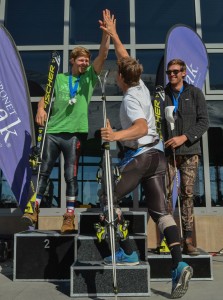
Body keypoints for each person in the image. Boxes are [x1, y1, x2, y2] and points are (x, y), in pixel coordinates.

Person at [99, 9, 193, 298]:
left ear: (121, 78)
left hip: (140, 156)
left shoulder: (129, 98)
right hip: (157, 158)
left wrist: (115, 135)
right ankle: (178, 266)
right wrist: (113, 35)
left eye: (117, 72)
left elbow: (140, 127)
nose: (116, 73)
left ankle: (127, 252)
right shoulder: (139, 84)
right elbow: (125, 58)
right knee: (162, 213)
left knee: (107, 198)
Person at [21, 12, 110, 234]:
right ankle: (34, 210)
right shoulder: (59, 78)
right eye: (81, 60)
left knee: (70, 176)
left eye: (87, 61)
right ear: (72, 61)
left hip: (73, 134)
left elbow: (104, 54)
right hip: (52, 131)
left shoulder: (88, 78)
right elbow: (46, 96)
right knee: (43, 171)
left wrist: (106, 33)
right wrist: (40, 108)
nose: (85, 63)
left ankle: (69, 217)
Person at [164, 59, 209, 255]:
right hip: (167, 154)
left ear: (183, 73)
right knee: (165, 196)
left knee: (187, 195)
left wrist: (184, 137)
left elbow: (204, 122)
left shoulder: (195, 93)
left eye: (175, 72)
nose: (172, 75)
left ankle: (188, 240)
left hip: (190, 152)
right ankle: (168, 240)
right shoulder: (161, 95)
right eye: (169, 72)